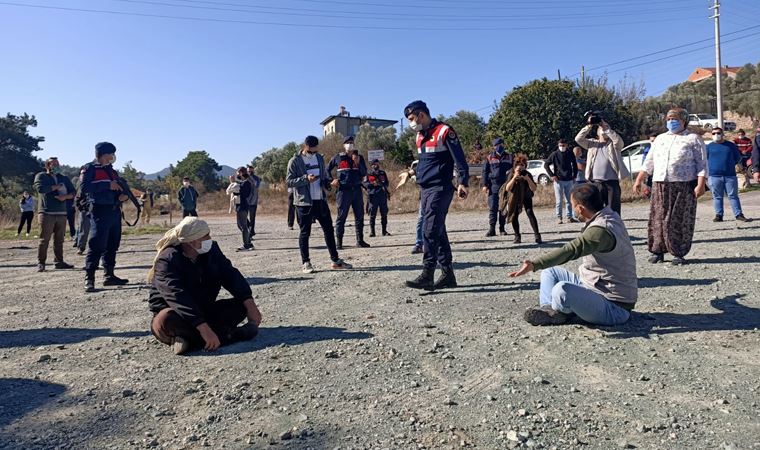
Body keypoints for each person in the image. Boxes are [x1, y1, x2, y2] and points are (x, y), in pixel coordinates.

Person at [509, 183, 637, 327]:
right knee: (550, 272)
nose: (571, 209)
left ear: (580, 209)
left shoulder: (601, 230)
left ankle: (559, 311)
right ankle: (549, 311)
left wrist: (534, 264)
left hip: (614, 307)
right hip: (595, 288)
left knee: (561, 289)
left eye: (572, 205)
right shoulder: (609, 214)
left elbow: (570, 250)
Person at [147, 217, 263, 355]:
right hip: (178, 315)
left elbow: (230, 274)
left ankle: (188, 340)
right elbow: (177, 296)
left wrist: (249, 302)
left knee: (240, 306)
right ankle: (231, 336)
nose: (210, 238)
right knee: (165, 319)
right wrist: (202, 327)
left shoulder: (211, 251)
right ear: (192, 241)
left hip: (204, 310)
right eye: (206, 236)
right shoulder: (167, 260)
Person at [403, 100, 469, 291]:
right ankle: (448, 275)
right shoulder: (419, 136)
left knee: (429, 230)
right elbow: (425, 163)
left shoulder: (444, 131)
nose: (411, 123)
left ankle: (427, 274)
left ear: (421, 115)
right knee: (438, 230)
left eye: (412, 119)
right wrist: (412, 173)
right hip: (425, 189)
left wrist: (463, 182)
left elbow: (459, 158)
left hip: (440, 188)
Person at [633, 108, 706, 266]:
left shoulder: (693, 139)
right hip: (660, 183)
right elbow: (649, 162)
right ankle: (657, 250)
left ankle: (678, 252)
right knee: (658, 217)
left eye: (675, 119)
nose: (671, 122)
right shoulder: (660, 139)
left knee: (679, 218)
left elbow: (702, 164)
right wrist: (639, 179)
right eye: (668, 119)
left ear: (684, 121)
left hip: (683, 184)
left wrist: (700, 185)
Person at [286, 136, 352, 274]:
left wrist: (330, 183)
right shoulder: (295, 161)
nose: (315, 150)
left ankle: (335, 261)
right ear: (306, 146)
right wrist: (305, 179)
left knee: (328, 230)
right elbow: (289, 181)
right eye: (313, 148)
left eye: (316, 148)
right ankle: (306, 263)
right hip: (304, 203)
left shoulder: (319, 158)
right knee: (305, 232)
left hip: (320, 200)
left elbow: (323, 178)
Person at [81, 142, 131, 292]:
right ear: (104, 154)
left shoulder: (112, 171)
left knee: (112, 244)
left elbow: (118, 188)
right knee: (97, 244)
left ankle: (109, 275)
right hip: (99, 211)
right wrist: (107, 185)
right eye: (111, 153)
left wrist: (122, 196)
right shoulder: (89, 168)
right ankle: (89, 278)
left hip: (114, 211)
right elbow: (84, 188)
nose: (113, 156)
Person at [575, 118, 628, 215]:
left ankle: (614, 228)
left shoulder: (613, 144)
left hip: (611, 182)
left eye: (604, 127)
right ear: (597, 132)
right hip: (595, 182)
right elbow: (578, 139)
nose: (602, 129)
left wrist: (606, 128)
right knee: (596, 209)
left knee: (613, 209)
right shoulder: (592, 143)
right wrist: (589, 126)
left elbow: (620, 142)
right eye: (600, 127)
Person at [33, 157, 76, 272]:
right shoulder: (41, 176)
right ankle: (41, 263)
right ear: (47, 165)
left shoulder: (64, 178)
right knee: (44, 239)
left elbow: (73, 192)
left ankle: (59, 262)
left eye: (58, 164)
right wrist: (56, 187)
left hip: (62, 213)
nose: (56, 166)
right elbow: (40, 189)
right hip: (46, 212)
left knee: (59, 240)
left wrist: (65, 197)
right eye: (53, 164)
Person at [328, 136, 370, 249]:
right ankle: (339, 242)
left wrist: (357, 163)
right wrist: (332, 180)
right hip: (343, 191)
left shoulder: (359, 157)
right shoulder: (338, 157)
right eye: (347, 143)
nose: (350, 144)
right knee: (341, 217)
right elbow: (326, 169)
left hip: (356, 190)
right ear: (343, 145)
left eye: (351, 142)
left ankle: (360, 241)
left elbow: (364, 173)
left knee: (359, 216)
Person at [706, 127, 750, 223]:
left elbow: (737, 158)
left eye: (718, 133)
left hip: (730, 175)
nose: (716, 135)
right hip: (714, 176)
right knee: (717, 196)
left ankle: (738, 214)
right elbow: (705, 160)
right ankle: (719, 215)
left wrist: (730, 165)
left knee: (733, 196)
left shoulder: (731, 146)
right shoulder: (709, 147)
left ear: (722, 134)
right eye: (713, 133)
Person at [502, 154, 542, 244]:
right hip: (515, 196)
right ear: (515, 167)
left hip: (526, 195)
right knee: (514, 215)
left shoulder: (528, 174)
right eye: (518, 168)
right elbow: (507, 188)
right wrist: (514, 177)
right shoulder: (511, 173)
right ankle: (517, 236)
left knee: (530, 213)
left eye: (522, 167)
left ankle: (537, 235)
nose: (520, 170)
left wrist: (527, 178)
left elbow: (534, 188)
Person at [481, 137, 512, 237]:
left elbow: (513, 170)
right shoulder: (489, 158)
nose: (498, 147)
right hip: (492, 185)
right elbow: (485, 172)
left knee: (503, 208)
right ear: (494, 147)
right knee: (493, 207)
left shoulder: (509, 157)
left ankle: (502, 229)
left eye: (500, 145)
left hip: (505, 185)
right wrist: (485, 185)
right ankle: (492, 229)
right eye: (496, 145)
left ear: (503, 145)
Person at [545, 138, 578, 224]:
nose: (562, 147)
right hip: (558, 180)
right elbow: (546, 164)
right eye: (560, 145)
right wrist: (552, 175)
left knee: (569, 200)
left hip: (569, 179)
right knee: (559, 201)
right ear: (558, 145)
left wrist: (574, 176)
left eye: (563, 145)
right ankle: (559, 217)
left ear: (566, 145)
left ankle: (569, 217)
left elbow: (574, 165)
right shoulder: (554, 154)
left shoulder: (570, 153)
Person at [225, 168, 254, 251]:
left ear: (241, 173)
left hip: (243, 206)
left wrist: (233, 182)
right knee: (240, 225)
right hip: (240, 206)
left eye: (237, 173)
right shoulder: (244, 183)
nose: (237, 174)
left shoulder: (246, 183)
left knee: (243, 226)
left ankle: (246, 245)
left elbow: (240, 191)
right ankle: (248, 243)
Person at [364, 159, 391, 237]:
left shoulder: (382, 173)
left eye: (377, 163)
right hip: (373, 196)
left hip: (382, 195)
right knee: (372, 214)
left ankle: (384, 231)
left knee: (384, 214)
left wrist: (384, 186)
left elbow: (386, 183)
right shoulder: (368, 174)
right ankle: (372, 232)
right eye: (374, 164)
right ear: (371, 165)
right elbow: (365, 184)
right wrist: (373, 184)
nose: (376, 165)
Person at [246, 165, 261, 237]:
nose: (249, 172)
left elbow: (256, 185)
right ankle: (250, 229)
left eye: (251, 171)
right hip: (245, 201)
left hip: (253, 201)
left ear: (253, 171)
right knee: (243, 217)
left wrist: (250, 178)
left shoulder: (257, 178)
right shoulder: (244, 178)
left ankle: (251, 232)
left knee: (252, 218)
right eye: (248, 171)